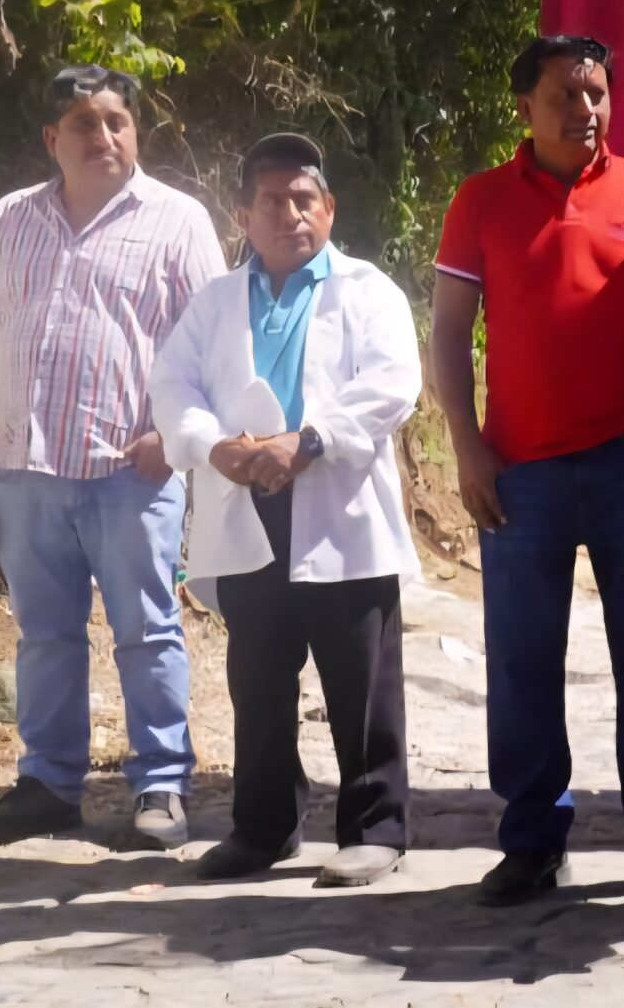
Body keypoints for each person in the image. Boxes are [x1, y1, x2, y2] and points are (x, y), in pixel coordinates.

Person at [433, 36, 624, 908]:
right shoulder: (479, 201)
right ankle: (531, 841)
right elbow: (447, 333)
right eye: (565, 92)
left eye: (596, 92)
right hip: (520, 473)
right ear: (524, 104)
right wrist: (467, 446)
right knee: (521, 660)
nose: (584, 108)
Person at [0, 65, 227, 849]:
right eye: (84, 123)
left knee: (147, 629)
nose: (103, 136)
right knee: (44, 634)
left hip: (130, 469)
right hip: (28, 466)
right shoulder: (10, 219)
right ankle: (48, 781)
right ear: (52, 139)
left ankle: (161, 785)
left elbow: (212, 337)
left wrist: (172, 436)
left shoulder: (177, 220)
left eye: (117, 121)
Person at [151, 133, 421, 888]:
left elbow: (394, 383)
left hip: (338, 504)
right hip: (248, 508)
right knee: (258, 678)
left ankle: (375, 827)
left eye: (306, 198)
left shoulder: (368, 289)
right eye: (272, 199)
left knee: (360, 679)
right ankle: (263, 827)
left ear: (329, 209)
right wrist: (216, 447)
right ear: (243, 213)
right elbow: (172, 385)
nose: (290, 213)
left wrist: (306, 441)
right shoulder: (214, 302)